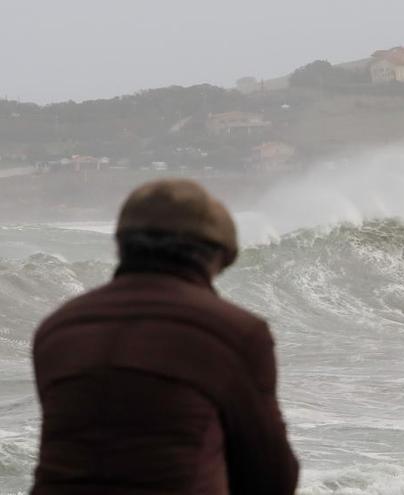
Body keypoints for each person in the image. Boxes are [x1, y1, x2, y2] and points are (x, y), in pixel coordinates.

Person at [31, 179, 299, 495]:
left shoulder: (59, 328)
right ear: (212, 256)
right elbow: (271, 476)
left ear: (121, 246)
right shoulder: (234, 332)